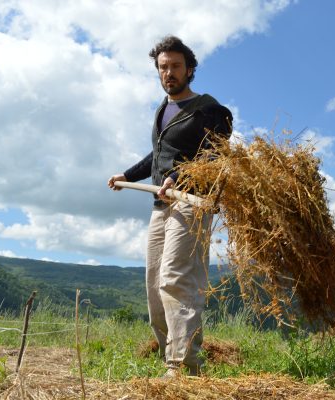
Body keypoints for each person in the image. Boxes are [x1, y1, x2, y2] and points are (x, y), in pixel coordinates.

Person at [107, 35, 233, 376]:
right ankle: (169, 356)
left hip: (192, 203)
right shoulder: (163, 110)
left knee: (175, 279)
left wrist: (177, 179)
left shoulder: (210, 109)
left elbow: (215, 155)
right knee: (154, 285)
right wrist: (128, 174)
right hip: (161, 205)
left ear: (189, 69)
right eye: (163, 67)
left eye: (176, 66)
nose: (169, 72)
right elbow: (159, 156)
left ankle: (185, 365)